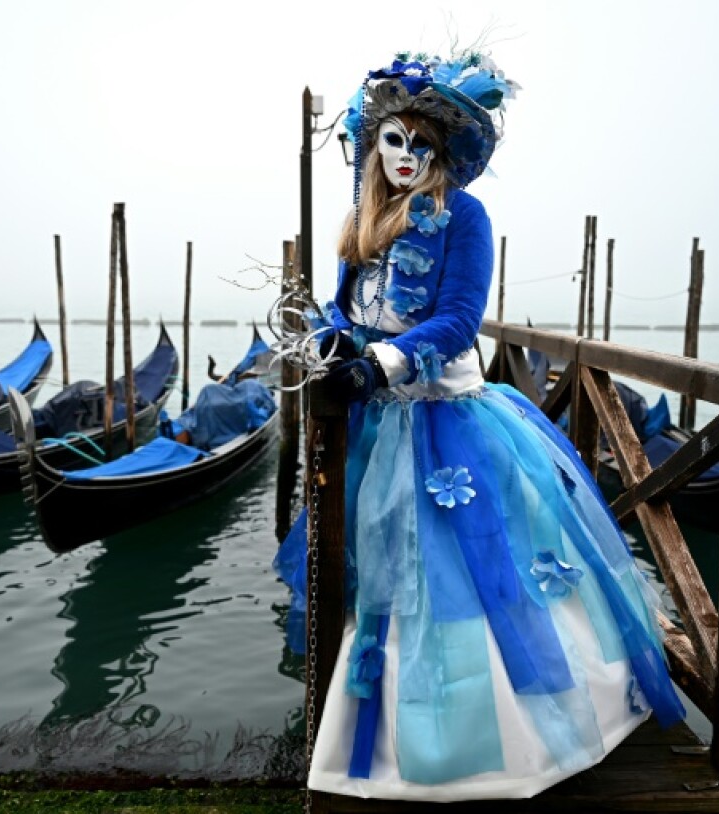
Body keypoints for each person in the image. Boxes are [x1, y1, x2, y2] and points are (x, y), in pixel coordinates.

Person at [273, 50, 686, 802]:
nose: (403, 157)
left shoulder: (464, 213)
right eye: (391, 141)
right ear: (374, 145)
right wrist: (338, 341)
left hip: (450, 423)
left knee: (474, 578)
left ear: (441, 152)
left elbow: (460, 319)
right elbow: (346, 311)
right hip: (377, 427)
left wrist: (382, 364)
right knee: (386, 588)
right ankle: (384, 742)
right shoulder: (363, 220)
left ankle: (504, 748)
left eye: (418, 144)